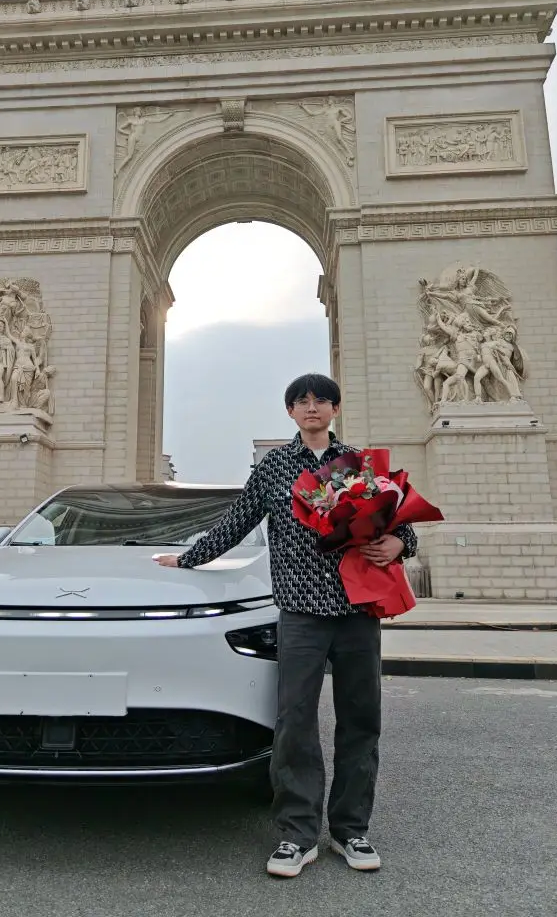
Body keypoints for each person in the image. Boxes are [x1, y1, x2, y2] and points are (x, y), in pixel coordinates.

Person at [154, 374, 416, 878]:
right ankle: (297, 834)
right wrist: (188, 558)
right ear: (290, 411)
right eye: (302, 401)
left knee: (361, 721)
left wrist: (400, 542)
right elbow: (238, 521)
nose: (312, 407)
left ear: (335, 409)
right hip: (300, 613)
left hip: (358, 611)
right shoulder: (275, 467)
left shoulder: (358, 463)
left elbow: (399, 520)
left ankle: (350, 829)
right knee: (294, 723)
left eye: (321, 400)